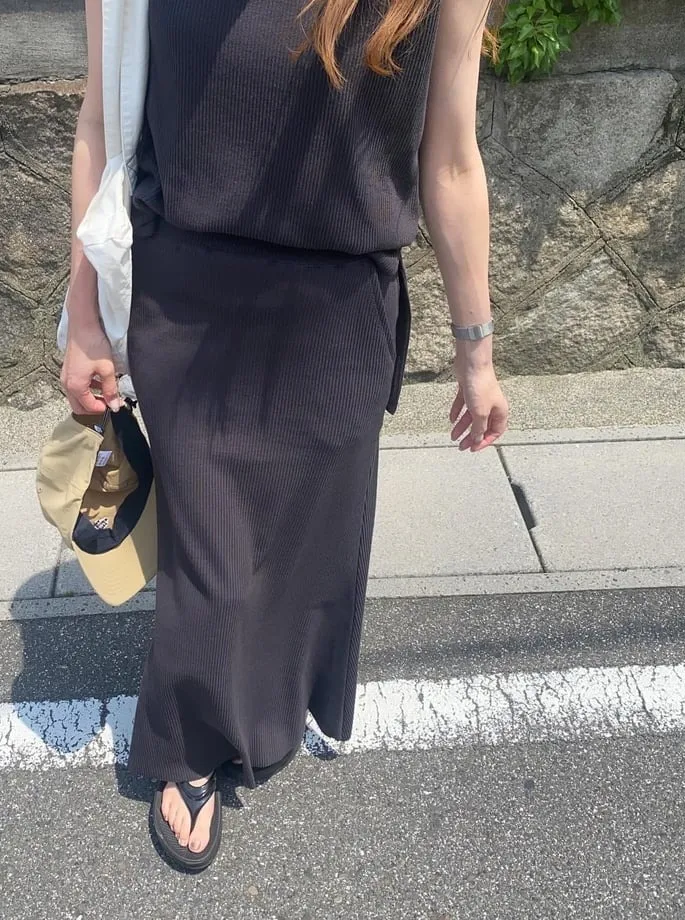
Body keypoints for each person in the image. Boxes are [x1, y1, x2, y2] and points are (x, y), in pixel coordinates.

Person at [60, 0, 510, 870]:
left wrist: (477, 352)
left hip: (341, 310)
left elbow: (452, 160)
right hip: (188, 300)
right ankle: (190, 742)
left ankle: (270, 693)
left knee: (307, 544)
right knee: (210, 554)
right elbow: (100, 127)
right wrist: (83, 319)